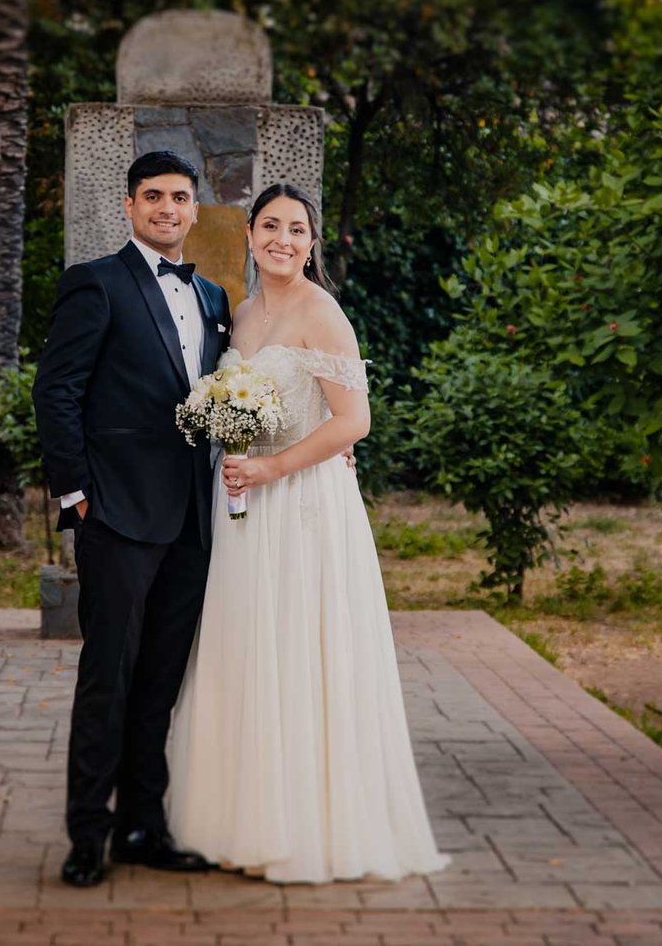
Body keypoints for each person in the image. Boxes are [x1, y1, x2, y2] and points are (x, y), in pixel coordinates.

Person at [166, 183, 450, 883]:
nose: (282, 240)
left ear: (311, 243)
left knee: (298, 650)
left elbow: (354, 422)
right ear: (250, 236)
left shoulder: (324, 313)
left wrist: (273, 466)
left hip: (301, 505)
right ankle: (240, 822)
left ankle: (309, 828)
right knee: (246, 650)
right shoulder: (241, 312)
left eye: (296, 229)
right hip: (243, 507)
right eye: (270, 226)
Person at [31, 151, 231, 888]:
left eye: (179, 197)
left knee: (160, 682)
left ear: (194, 209)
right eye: (153, 197)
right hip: (116, 513)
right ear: (129, 205)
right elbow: (56, 390)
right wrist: (76, 494)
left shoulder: (213, 295)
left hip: (192, 520)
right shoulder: (96, 283)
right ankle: (89, 834)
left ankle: (144, 826)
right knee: (108, 678)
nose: (166, 209)